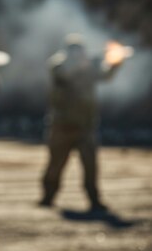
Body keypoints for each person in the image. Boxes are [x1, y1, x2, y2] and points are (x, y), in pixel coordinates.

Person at [39, 34, 123, 211]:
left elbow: (105, 76)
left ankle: (93, 199)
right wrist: (81, 64)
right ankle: (48, 196)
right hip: (62, 125)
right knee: (56, 164)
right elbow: (63, 75)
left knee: (90, 165)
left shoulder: (89, 67)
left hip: (85, 125)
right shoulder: (58, 64)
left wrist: (115, 63)